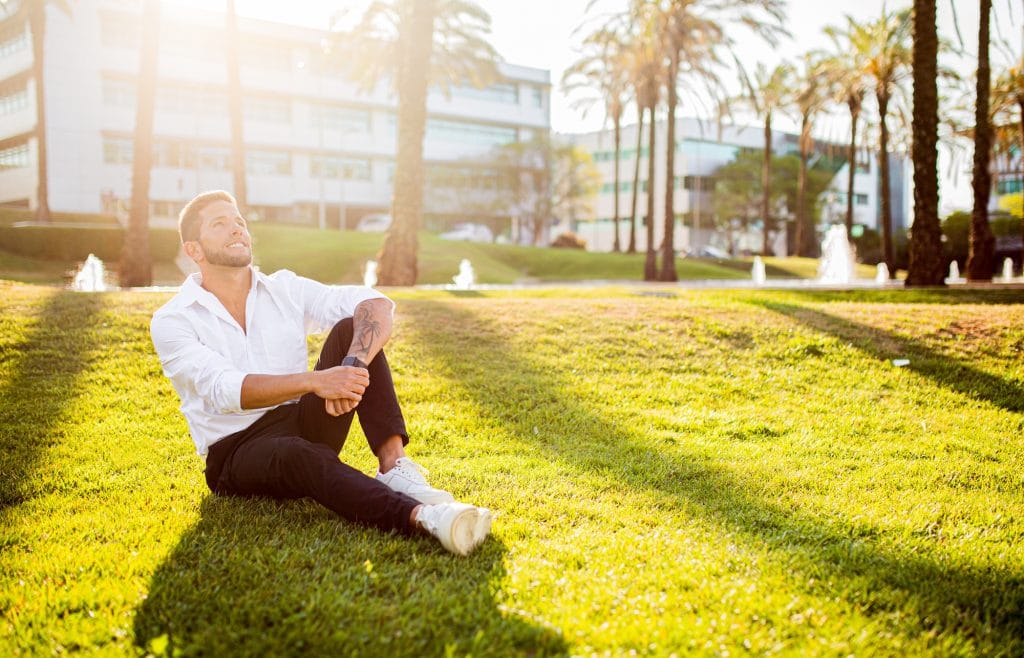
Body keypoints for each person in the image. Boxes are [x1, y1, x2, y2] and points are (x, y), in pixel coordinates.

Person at [150, 190, 491, 556]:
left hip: (304, 422)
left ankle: (394, 466)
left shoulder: (284, 288)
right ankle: (425, 517)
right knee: (299, 454)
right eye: (220, 224)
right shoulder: (174, 319)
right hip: (236, 449)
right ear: (194, 250)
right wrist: (317, 381)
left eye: (239, 222)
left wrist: (352, 366)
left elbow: (374, 304)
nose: (237, 230)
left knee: (354, 328)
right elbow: (224, 390)